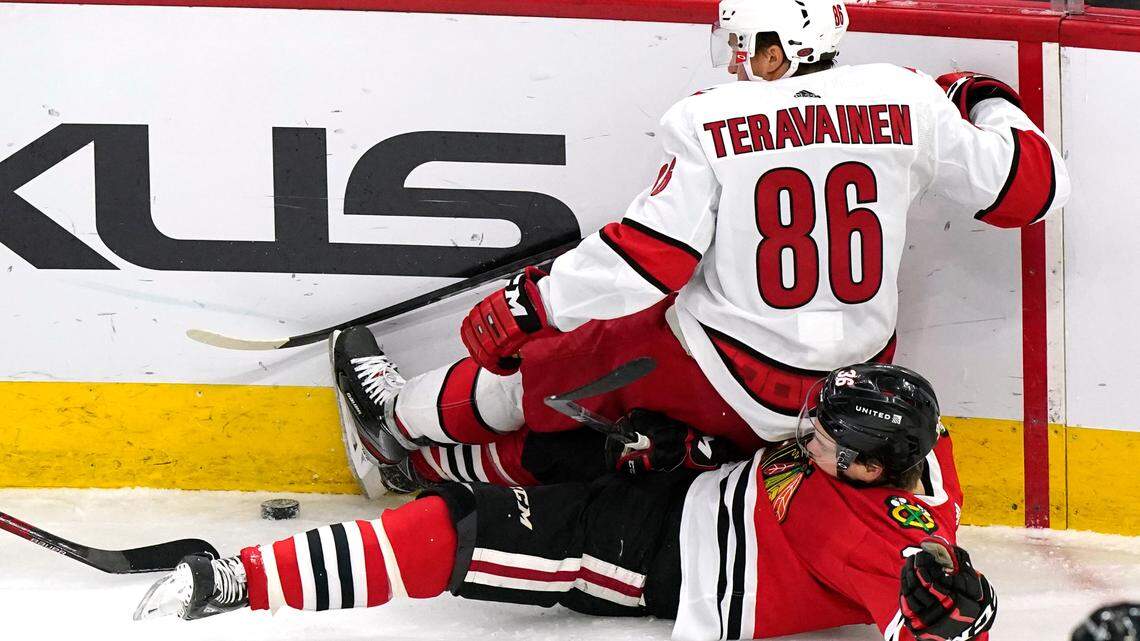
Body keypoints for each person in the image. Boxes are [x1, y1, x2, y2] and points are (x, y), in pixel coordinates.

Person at [332, 0, 1071, 495]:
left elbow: (647, 262)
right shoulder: (908, 99)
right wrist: (979, 95)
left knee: (546, 368)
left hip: (733, 377)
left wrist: (531, 302)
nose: (738, 62)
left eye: (748, 47)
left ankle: (392, 426)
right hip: (851, 393)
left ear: (782, 52)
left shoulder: (711, 119)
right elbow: (1033, 190)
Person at [135, 363, 997, 641]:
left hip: (661, 560)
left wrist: (959, 616)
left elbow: (927, 610)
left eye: (822, 443)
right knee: (581, 437)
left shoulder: (884, 541)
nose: (807, 436)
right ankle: (410, 457)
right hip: (703, 491)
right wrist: (697, 447)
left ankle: (240, 581)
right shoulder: (912, 442)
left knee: (463, 530)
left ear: (866, 473)